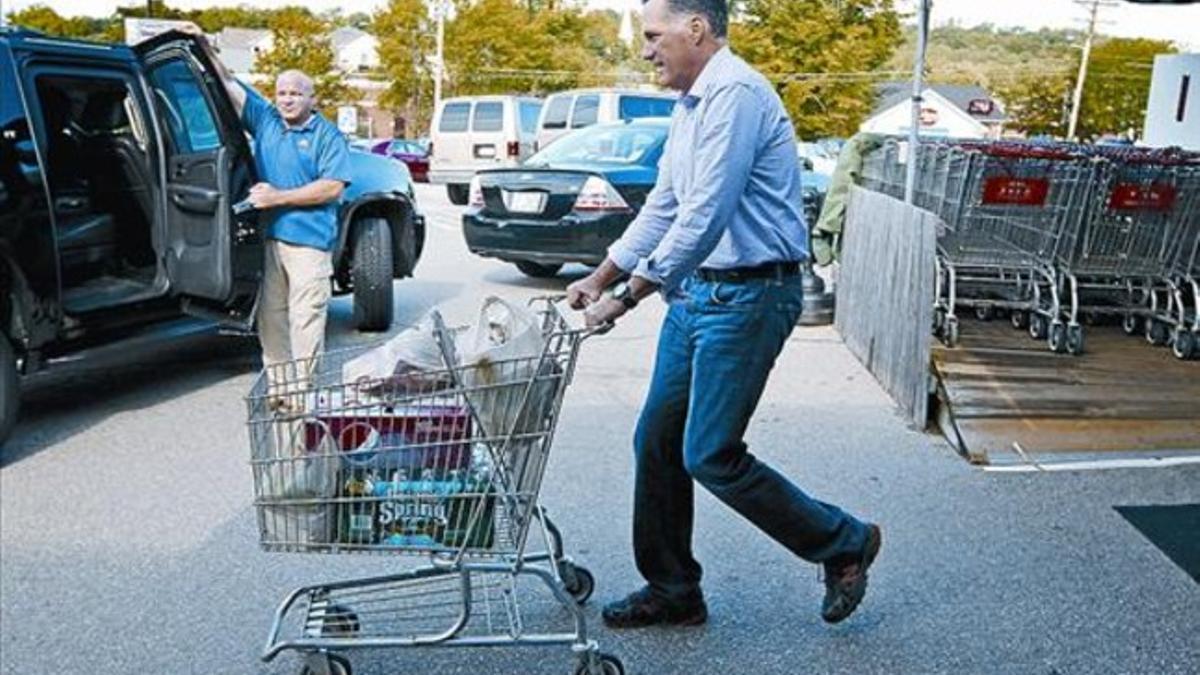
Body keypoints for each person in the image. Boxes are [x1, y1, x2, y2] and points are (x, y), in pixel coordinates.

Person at [566, 0, 882, 628]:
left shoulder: (735, 95)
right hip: (698, 298)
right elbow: (665, 205)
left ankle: (844, 542)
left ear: (696, 29)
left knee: (709, 453)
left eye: (655, 37)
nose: (647, 50)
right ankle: (673, 589)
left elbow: (704, 215)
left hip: (749, 296)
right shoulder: (690, 107)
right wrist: (601, 274)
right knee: (656, 442)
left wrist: (628, 296)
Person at [202, 38, 352, 405]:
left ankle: (302, 393)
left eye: (296, 93)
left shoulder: (326, 136)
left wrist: (277, 197)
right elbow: (229, 84)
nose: (287, 99)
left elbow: (332, 188)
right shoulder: (267, 120)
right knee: (271, 320)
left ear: (312, 98)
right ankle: (280, 390)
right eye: (282, 92)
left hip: (309, 246)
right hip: (272, 241)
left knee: (305, 321)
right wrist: (203, 46)